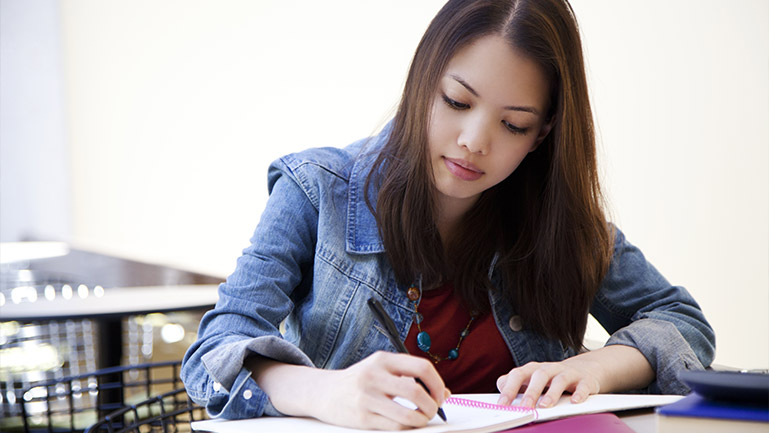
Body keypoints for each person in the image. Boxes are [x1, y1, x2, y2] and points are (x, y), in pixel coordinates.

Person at [181, 0, 715, 430]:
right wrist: (329, 392)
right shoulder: (318, 189)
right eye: (458, 102)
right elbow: (215, 351)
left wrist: (591, 368)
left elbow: (683, 322)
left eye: (513, 125)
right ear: (423, 84)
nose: (473, 142)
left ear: (542, 135)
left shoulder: (558, 222)